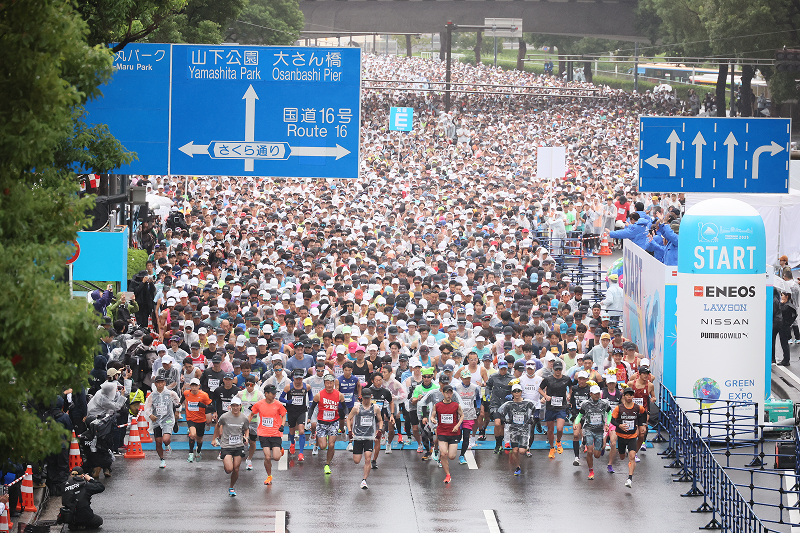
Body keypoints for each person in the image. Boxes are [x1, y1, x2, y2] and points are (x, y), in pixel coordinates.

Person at [308, 374, 346, 475]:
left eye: (331, 383)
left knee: (331, 444)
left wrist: (346, 415)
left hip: (333, 423)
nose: (329, 385)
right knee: (323, 446)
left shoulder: (339, 395)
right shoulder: (319, 395)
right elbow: (312, 408)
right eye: (327, 383)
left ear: (334, 383)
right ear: (324, 383)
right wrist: (309, 418)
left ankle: (327, 464)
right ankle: (317, 439)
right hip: (321, 423)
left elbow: (344, 407)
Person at [610, 385, 648, 488]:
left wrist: (642, 424)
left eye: (631, 396)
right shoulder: (619, 408)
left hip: (632, 436)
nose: (629, 397)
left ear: (633, 397)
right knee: (622, 457)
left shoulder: (637, 407)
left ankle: (629, 479)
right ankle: (623, 452)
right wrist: (619, 425)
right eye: (627, 395)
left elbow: (643, 413)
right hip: (621, 436)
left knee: (632, 457)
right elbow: (612, 419)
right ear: (624, 396)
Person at [250, 384, 287, 486]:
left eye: (275, 393)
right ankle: (269, 476)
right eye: (272, 393)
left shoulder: (278, 404)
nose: (274, 395)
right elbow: (252, 413)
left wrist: (282, 425)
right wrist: (246, 425)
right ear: (266, 394)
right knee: (267, 457)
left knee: (276, 458)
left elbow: (284, 415)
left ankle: (280, 451)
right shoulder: (259, 404)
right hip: (263, 433)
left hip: (275, 433)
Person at [211, 396, 249, 496]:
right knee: (229, 469)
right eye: (233, 406)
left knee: (236, 469)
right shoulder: (224, 417)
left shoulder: (244, 418)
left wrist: (246, 437)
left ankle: (231, 487)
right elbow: (218, 425)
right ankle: (226, 464)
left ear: (240, 406)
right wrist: (214, 438)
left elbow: (246, 428)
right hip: (226, 445)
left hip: (238, 445)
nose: (235, 408)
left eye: (237, 406)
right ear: (230, 406)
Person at [346, 387, 383, 489]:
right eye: (364, 398)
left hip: (369, 437)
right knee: (357, 460)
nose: (366, 400)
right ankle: (360, 458)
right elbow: (348, 419)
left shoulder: (375, 408)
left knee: (368, 459)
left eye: (368, 398)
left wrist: (379, 430)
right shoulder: (357, 408)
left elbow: (380, 420)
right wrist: (350, 431)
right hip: (358, 437)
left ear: (371, 397)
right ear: (361, 397)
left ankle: (364, 480)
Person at [496, 383, 536, 475]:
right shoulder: (508, 404)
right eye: (515, 391)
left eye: (518, 391)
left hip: (524, 430)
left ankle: (524, 453)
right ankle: (518, 467)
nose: (517, 393)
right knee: (514, 450)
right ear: (512, 393)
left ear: (521, 392)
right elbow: (500, 411)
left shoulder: (527, 403)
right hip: (513, 430)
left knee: (522, 451)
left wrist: (531, 418)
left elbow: (534, 408)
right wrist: (506, 419)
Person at [143, 371, 181, 468]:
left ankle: (167, 445)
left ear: (164, 383)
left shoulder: (171, 393)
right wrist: (150, 415)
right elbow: (147, 408)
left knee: (165, 439)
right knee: (158, 441)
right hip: (157, 420)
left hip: (168, 419)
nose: (160, 384)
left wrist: (177, 411)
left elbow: (178, 402)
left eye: (162, 382)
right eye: (158, 382)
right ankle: (162, 459)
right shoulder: (152, 395)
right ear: (155, 384)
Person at [573, 384, 611, 479]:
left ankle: (598, 448)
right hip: (588, 429)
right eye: (595, 394)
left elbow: (609, 413)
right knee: (590, 451)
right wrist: (576, 423)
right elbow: (580, 415)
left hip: (599, 430)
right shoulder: (585, 404)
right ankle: (591, 471)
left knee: (597, 455)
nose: (597, 395)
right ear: (590, 394)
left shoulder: (604, 403)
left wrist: (607, 424)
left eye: (598, 393)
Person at [430, 384, 464, 484]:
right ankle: (447, 475)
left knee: (452, 456)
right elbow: (433, 416)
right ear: (443, 393)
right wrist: (433, 420)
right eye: (447, 393)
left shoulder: (456, 405)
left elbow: (462, 416)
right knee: (444, 454)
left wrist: (457, 425)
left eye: (450, 393)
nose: (449, 395)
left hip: (454, 433)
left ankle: (445, 453)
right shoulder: (438, 405)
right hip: (442, 432)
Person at [538, 359, 571, 459]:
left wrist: (569, 394)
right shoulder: (548, 379)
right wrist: (545, 396)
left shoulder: (566, 379)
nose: (558, 371)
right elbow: (539, 388)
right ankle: (552, 448)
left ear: (562, 369)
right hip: (550, 407)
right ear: (553, 369)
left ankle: (558, 441)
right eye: (556, 369)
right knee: (550, 430)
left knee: (560, 428)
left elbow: (571, 387)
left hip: (561, 407)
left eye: (559, 369)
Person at [452, 369, 481, 464]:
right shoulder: (456, 387)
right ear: (461, 378)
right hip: (458, 415)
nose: (467, 380)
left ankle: (461, 456)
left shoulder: (475, 387)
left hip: (469, 415)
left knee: (466, 437)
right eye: (465, 378)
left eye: (468, 378)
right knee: (457, 436)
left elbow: (478, 399)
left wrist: (479, 408)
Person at [280, 369, 309, 461]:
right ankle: (292, 443)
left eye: (300, 379)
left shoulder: (306, 387)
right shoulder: (288, 387)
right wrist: (287, 401)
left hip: (301, 411)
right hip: (291, 411)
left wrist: (311, 403)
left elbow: (311, 396)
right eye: (296, 379)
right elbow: (280, 398)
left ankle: (301, 453)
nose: (298, 381)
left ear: (302, 378)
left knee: (301, 431)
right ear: (293, 378)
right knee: (292, 431)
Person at [237, 375, 265, 471]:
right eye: (247, 384)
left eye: (251, 385)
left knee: (253, 441)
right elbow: (234, 404)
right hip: (242, 421)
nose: (249, 387)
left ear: (254, 384)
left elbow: (263, 408)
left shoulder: (259, 395)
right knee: (242, 440)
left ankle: (249, 459)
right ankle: (243, 450)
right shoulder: (240, 394)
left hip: (254, 422)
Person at [485, 360, 514, 453]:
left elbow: (516, 388)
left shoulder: (512, 378)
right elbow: (488, 386)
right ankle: (497, 444)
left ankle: (500, 444)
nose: (503, 370)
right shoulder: (493, 377)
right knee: (497, 423)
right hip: (495, 403)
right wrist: (487, 394)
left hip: (506, 404)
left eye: (505, 369)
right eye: (501, 369)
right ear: (498, 368)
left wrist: (512, 395)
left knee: (502, 425)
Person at [182, 377, 212, 462]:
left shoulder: (204, 395)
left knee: (199, 439)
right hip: (190, 418)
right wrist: (179, 404)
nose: (194, 388)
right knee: (192, 435)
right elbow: (183, 398)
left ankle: (198, 451)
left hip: (201, 420)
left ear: (199, 386)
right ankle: (190, 454)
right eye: (192, 386)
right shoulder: (186, 393)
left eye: (196, 386)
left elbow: (211, 406)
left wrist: (204, 406)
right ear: (190, 386)